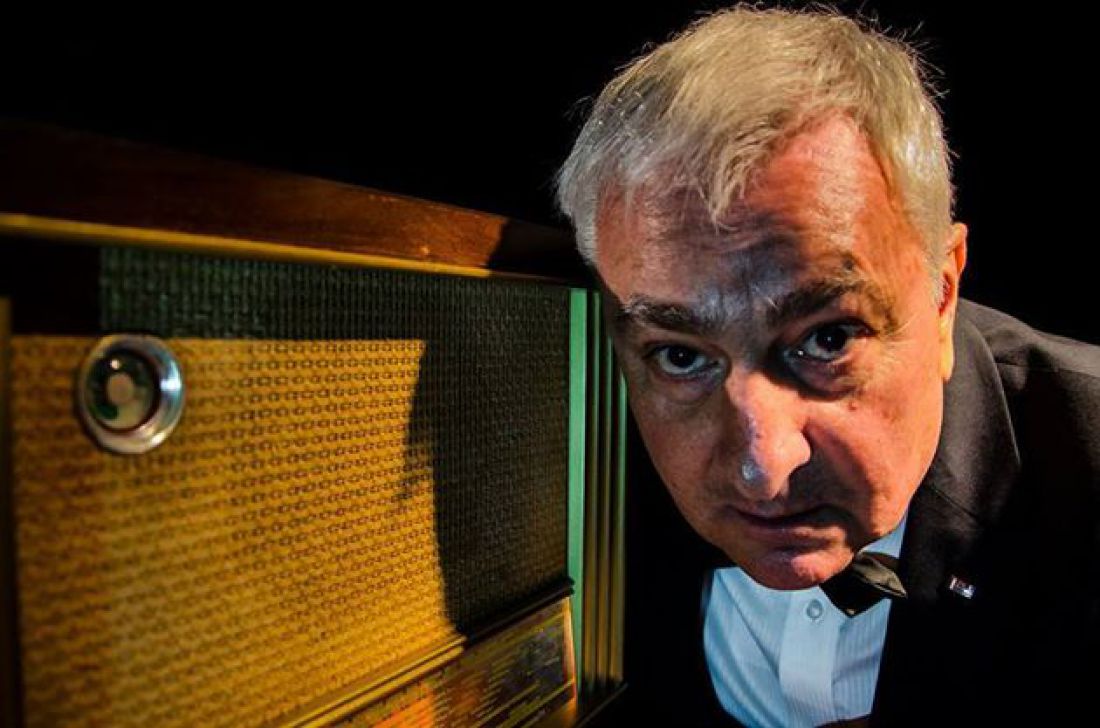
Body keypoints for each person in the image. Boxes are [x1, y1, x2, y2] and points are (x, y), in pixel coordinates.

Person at [555, 6, 1099, 726]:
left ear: (942, 294)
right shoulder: (570, 469)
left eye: (828, 339)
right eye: (682, 355)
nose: (763, 468)